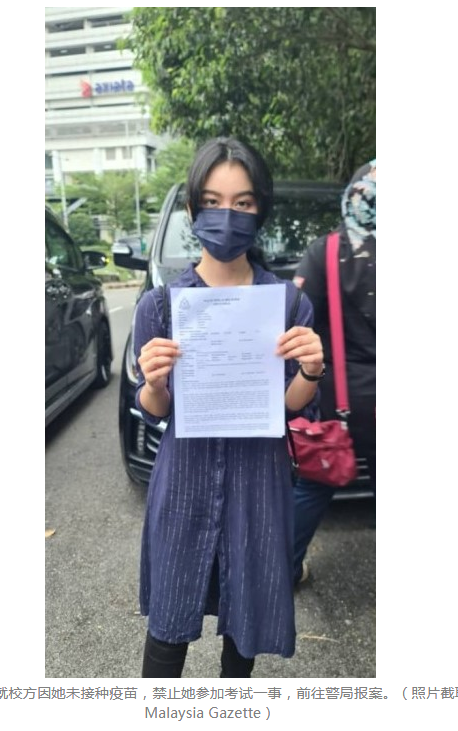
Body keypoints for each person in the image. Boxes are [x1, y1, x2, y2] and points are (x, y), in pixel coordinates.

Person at [133, 137, 324, 677]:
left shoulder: (288, 303)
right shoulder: (161, 306)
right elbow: (153, 409)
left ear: (260, 209)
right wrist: (155, 381)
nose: (227, 216)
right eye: (213, 202)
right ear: (193, 209)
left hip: (258, 483)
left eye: (242, 203)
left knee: (245, 627)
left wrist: (311, 369)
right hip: (185, 481)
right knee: (168, 627)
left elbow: (287, 407)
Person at [292, 159, 376, 586]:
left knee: (313, 485)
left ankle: (286, 569)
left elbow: (296, 319)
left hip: (340, 400)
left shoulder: (323, 253)